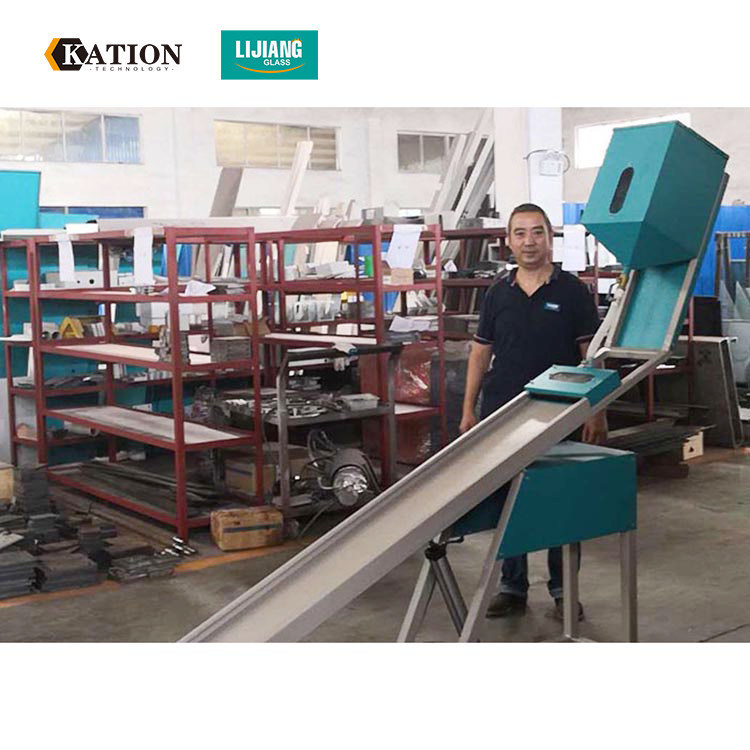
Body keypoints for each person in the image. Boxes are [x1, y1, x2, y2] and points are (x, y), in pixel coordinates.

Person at [459, 203, 606, 621]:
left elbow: (590, 355)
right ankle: (512, 586)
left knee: (562, 501)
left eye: (537, 232)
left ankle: (564, 591)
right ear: (508, 241)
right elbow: (480, 353)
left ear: (549, 238)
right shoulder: (497, 293)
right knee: (510, 501)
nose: (529, 241)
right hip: (504, 413)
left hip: (561, 414)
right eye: (520, 233)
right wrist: (468, 410)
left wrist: (596, 411)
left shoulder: (573, 292)